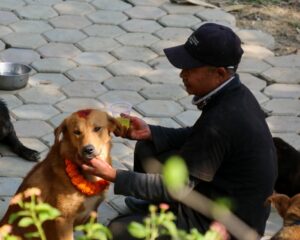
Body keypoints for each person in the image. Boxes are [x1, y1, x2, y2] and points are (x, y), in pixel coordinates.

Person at [81, 23, 277, 239]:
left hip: (228, 225)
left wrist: (113, 175)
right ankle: (157, 205)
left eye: (191, 69)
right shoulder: (235, 95)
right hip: (215, 191)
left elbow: (176, 187)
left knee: (117, 231)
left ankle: (166, 213)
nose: (182, 74)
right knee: (150, 146)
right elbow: (199, 136)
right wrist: (152, 132)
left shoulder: (222, 120)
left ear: (219, 73)